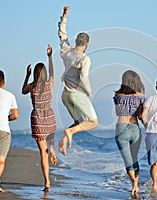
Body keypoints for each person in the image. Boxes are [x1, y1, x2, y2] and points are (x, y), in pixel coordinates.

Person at [58, 6, 98, 155]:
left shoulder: (66, 51)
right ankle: (69, 131)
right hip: (76, 94)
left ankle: (62, 141)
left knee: (80, 123)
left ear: (76, 41)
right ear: (86, 44)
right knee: (93, 122)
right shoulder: (85, 58)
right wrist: (89, 92)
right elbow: (84, 78)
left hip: (65, 95)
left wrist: (64, 15)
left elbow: (62, 34)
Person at [22, 44, 57, 192]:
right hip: (49, 117)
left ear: (36, 74)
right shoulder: (49, 85)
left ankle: (47, 182)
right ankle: (52, 148)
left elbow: (23, 91)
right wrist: (50, 57)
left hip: (37, 118)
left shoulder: (32, 86)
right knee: (48, 144)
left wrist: (27, 75)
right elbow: (52, 74)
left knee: (42, 153)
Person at [113, 70, 145, 199]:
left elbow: (117, 113)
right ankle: (136, 184)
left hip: (121, 127)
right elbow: (141, 114)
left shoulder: (117, 95)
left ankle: (134, 184)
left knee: (127, 160)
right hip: (135, 127)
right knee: (134, 158)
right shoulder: (141, 96)